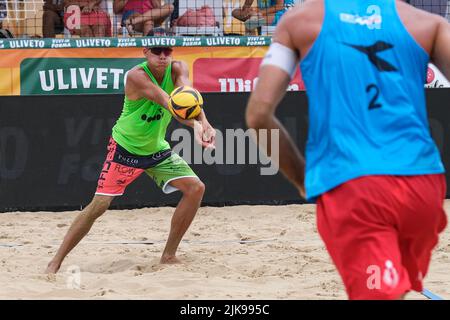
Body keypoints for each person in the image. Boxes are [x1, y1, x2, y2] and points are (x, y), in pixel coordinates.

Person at [246, 0, 450, 299]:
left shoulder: (300, 21)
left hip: (352, 185)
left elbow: (258, 115)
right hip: (424, 187)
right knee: (396, 285)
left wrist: (303, 180)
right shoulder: (427, 23)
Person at [45, 43, 216, 274]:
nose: (163, 57)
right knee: (99, 206)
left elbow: (188, 98)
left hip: (156, 150)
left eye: (167, 52)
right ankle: (55, 261)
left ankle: (168, 255)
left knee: (196, 188)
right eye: (157, 52)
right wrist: (195, 124)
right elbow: (170, 102)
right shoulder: (136, 76)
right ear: (145, 52)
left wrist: (203, 122)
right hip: (125, 149)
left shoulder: (178, 68)